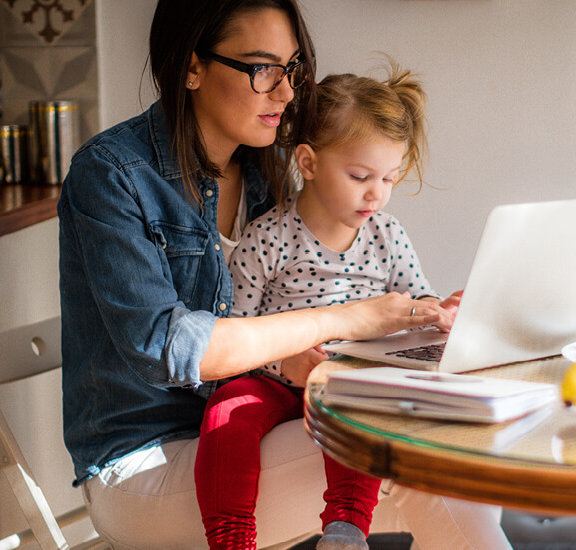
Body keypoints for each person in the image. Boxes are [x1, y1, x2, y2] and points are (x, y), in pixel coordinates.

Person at [58, 0, 513, 548]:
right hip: (148, 460)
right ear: (192, 68)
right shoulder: (112, 175)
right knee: (416, 450)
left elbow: (294, 301)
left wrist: (436, 316)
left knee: (445, 460)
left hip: (263, 426)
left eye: (291, 68)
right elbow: (170, 349)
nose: (287, 92)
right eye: (262, 69)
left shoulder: (267, 168)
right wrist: (347, 319)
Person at [195, 64, 464, 550]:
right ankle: (232, 539)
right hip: (271, 378)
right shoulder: (269, 237)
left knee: (360, 410)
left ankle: (346, 529)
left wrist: (437, 309)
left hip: (349, 375)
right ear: (309, 162)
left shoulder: (386, 234)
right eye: (360, 175)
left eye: (389, 178)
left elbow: (413, 293)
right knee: (225, 411)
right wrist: (283, 361)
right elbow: (234, 330)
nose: (376, 193)